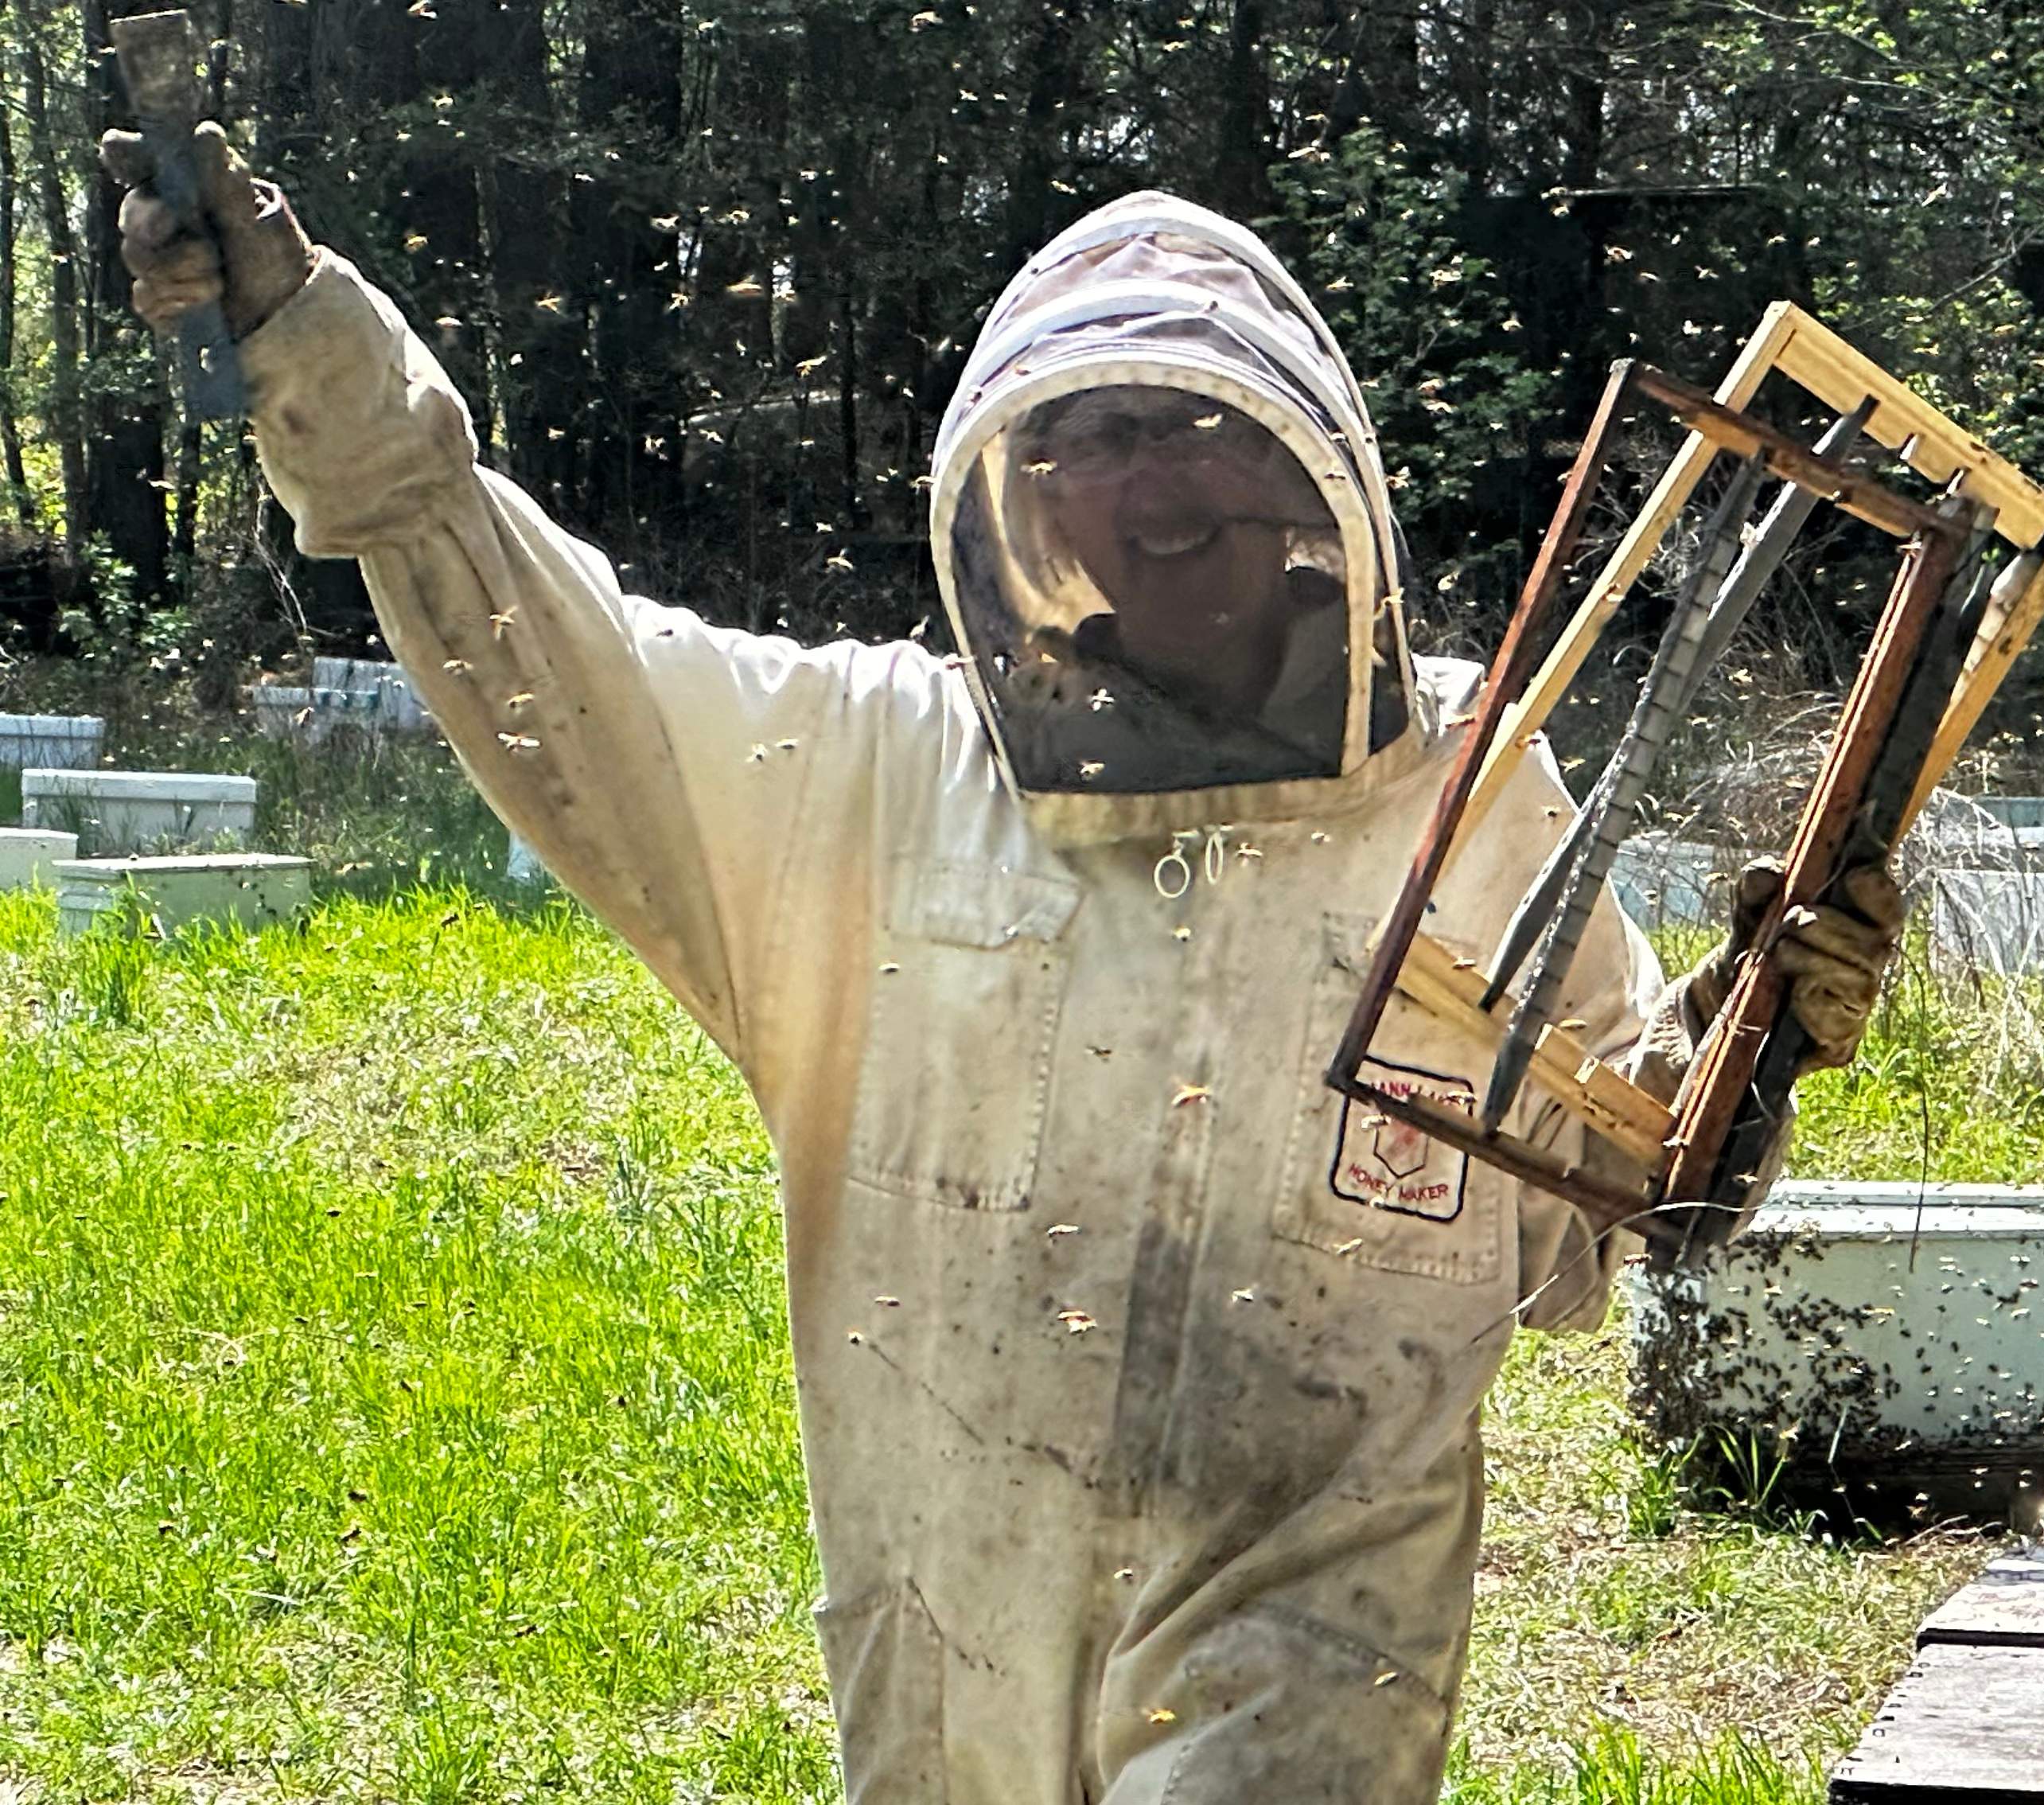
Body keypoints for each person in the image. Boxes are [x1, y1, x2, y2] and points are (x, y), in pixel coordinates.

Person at [109, 124, 1906, 1803]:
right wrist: (314, 350)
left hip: (1315, 1627)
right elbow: (550, 648)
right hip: (948, 1619)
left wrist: (1746, 1041)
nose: (1142, 476)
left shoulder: (1467, 795)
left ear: (1299, 471)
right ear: (1020, 494)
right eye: (1090, 435)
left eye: (1185, 425)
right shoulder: (878, 779)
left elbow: (1588, 1212)